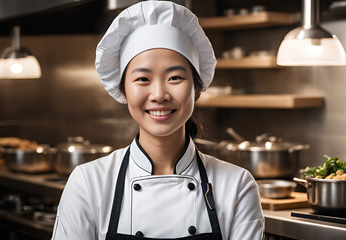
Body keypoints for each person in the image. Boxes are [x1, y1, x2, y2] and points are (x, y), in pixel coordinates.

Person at [51, 1, 264, 239]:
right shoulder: (89, 184)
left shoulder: (237, 185)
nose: (159, 95)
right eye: (143, 79)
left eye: (175, 77)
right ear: (123, 91)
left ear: (197, 89)